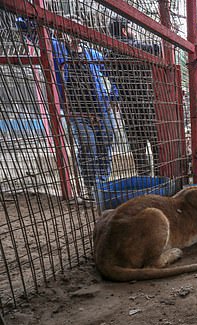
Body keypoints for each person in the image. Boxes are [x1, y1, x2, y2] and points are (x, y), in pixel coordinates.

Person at [18, 16, 117, 200]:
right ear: (59, 30)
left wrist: (114, 95)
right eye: (67, 28)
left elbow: (113, 73)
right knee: (88, 146)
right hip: (76, 112)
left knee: (106, 143)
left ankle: (103, 183)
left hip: (102, 109)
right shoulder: (55, 48)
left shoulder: (93, 54)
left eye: (75, 28)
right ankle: (92, 187)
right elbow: (23, 25)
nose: (72, 33)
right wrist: (38, 16)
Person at [107, 17, 161, 177]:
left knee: (138, 150)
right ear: (124, 30)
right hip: (147, 104)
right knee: (157, 147)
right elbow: (157, 48)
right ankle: (160, 179)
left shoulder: (109, 52)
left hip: (127, 107)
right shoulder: (138, 47)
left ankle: (144, 182)